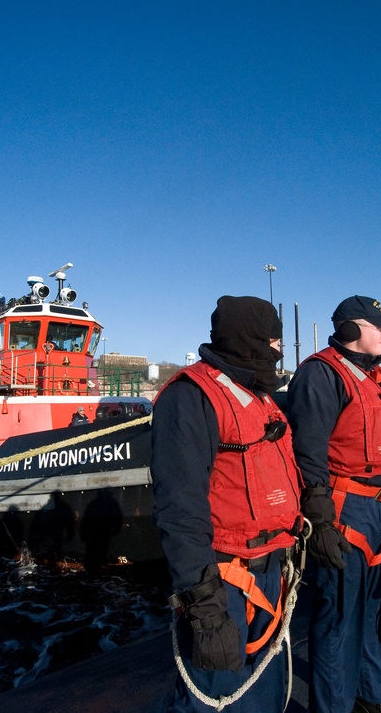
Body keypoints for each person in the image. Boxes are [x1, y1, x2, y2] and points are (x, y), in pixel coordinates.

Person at [150, 295, 302, 713]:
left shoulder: (261, 397)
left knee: (264, 693)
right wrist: (206, 608)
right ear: (250, 340)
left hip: (270, 572)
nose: (279, 350)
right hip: (222, 583)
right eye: (274, 340)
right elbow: (179, 510)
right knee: (214, 696)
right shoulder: (190, 398)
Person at [286, 295, 381, 713]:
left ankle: (371, 697)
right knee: (339, 618)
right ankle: (334, 707)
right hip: (348, 510)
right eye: (378, 325)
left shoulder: (379, 380)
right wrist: (320, 522)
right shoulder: (321, 375)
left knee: (378, 609)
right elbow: (308, 454)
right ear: (348, 329)